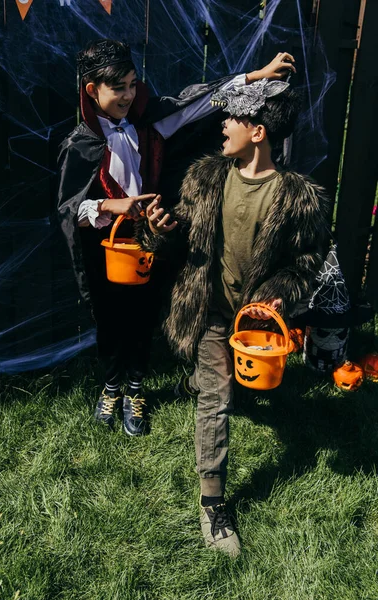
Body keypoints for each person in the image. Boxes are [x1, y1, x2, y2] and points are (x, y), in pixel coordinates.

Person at [57, 38, 297, 437]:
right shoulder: (78, 145)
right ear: (91, 90)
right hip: (104, 249)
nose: (129, 95)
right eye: (119, 87)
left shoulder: (147, 123)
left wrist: (255, 76)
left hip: (149, 242)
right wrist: (108, 207)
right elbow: (69, 211)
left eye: (133, 84)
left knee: (142, 316)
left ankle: (136, 388)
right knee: (110, 321)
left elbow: (200, 104)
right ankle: (112, 386)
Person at [137, 78, 330, 554]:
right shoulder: (205, 177)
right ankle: (214, 504)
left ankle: (202, 380)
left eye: (232, 118)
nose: (222, 125)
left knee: (231, 386)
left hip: (254, 324)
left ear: (259, 131)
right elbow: (179, 235)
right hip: (209, 312)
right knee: (216, 402)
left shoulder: (297, 197)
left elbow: (307, 260)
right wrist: (158, 232)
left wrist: (281, 292)